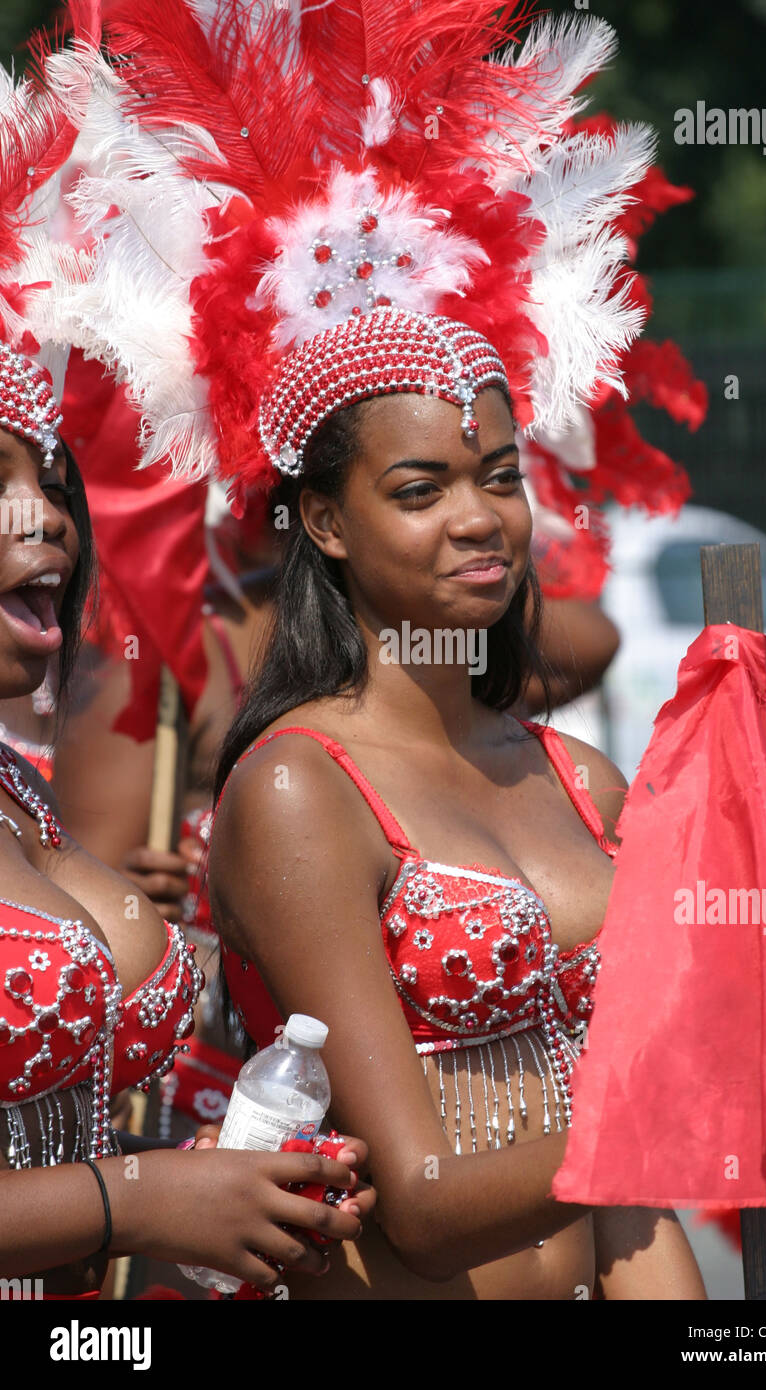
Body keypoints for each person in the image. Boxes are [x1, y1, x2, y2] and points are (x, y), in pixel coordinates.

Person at [48, 0, 707, 1297]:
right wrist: (689, 1103)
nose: (481, 519)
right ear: (324, 525)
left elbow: (637, 1205)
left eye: (500, 476)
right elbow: (410, 1197)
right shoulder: (299, 787)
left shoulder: (579, 780)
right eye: (418, 489)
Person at [0, 33, 374, 1298]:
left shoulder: (25, 798)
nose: (41, 518)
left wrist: (212, 1177)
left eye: (49, 481)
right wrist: (138, 1196)